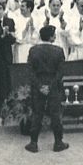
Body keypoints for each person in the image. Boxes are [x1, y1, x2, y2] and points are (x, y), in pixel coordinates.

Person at [24, 25, 69, 153]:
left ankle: (33, 143)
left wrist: (39, 86)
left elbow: (30, 71)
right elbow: (60, 73)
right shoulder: (59, 51)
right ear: (50, 37)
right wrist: (50, 86)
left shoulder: (33, 50)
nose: (55, 36)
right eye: (54, 34)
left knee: (37, 114)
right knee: (55, 114)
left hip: (38, 85)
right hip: (53, 86)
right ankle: (58, 142)